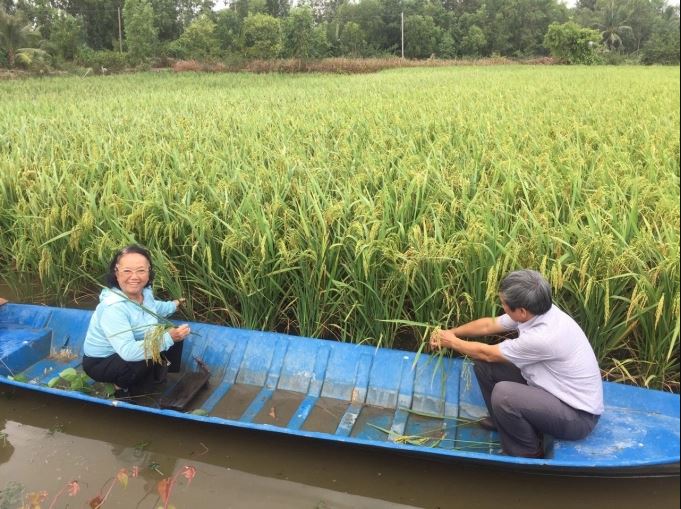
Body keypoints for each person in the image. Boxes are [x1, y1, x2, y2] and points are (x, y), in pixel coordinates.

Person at [430, 269, 603, 458]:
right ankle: (502, 421)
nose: (502, 307)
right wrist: (451, 333)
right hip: (553, 392)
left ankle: (525, 452)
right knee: (484, 366)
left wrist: (451, 342)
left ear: (521, 311)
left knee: (504, 395)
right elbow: (489, 325)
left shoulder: (543, 337)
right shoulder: (538, 310)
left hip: (576, 416)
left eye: (504, 304)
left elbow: (487, 353)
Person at [82, 244, 190, 398]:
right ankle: (120, 387)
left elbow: (153, 308)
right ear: (116, 273)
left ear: (149, 273)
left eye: (141, 271)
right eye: (127, 271)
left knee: (174, 335)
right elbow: (128, 352)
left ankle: (159, 374)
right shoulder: (112, 307)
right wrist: (168, 338)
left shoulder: (145, 293)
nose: (134, 277)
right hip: (101, 361)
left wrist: (175, 304)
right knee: (151, 351)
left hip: (127, 351)